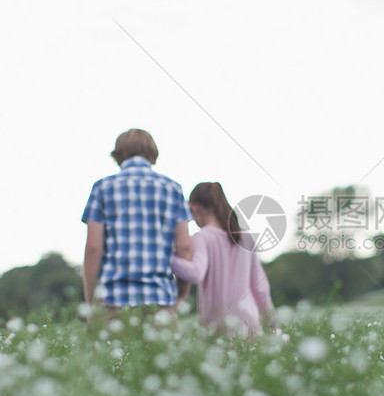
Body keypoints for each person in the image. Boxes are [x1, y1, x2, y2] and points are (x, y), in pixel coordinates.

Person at [81, 128, 192, 324]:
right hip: (160, 302)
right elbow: (184, 248)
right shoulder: (173, 189)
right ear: (152, 154)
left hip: (111, 301)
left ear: (118, 155)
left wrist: (91, 299)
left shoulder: (102, 188)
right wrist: (180, 295)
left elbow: (93, 248)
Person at [171, 182, 277, 338]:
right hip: (250, 325)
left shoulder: (202, 237)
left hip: (218, 329)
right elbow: (260, 287)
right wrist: (272, 324)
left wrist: (167, 259)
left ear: (194, 209)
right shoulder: (245, 236)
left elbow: (195, 273)